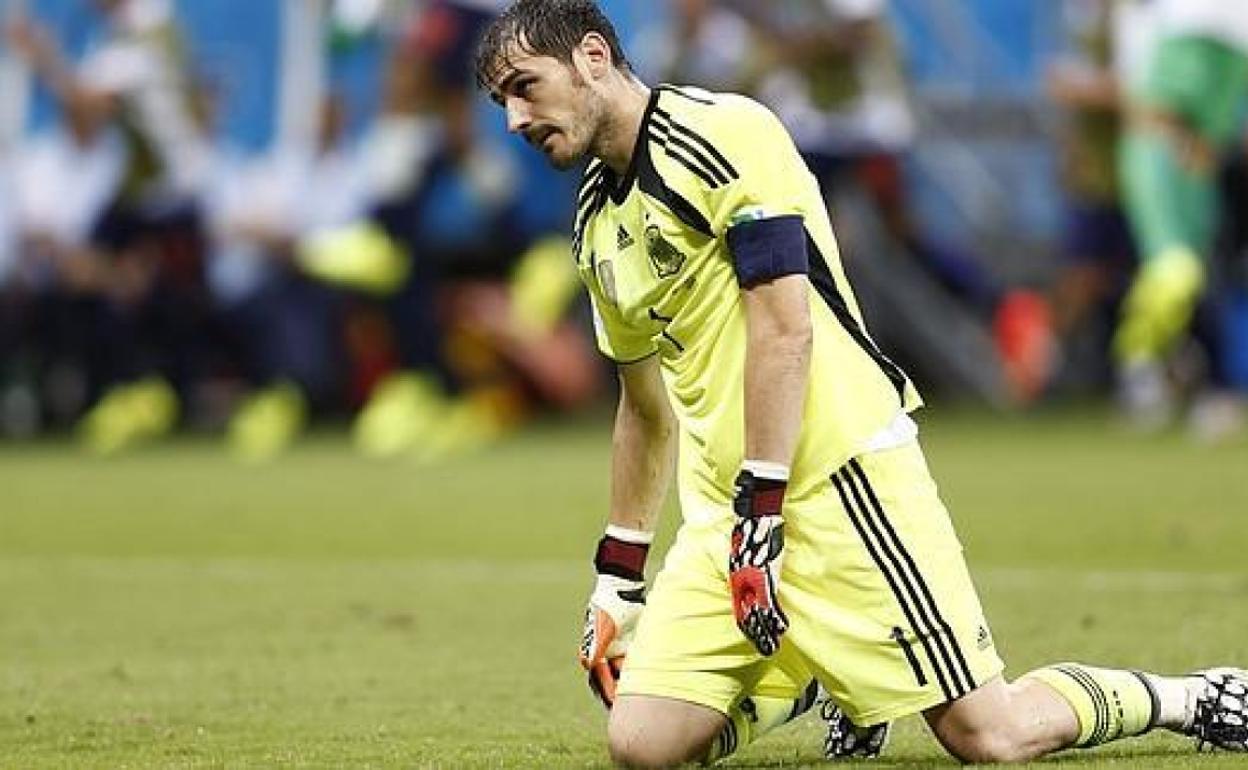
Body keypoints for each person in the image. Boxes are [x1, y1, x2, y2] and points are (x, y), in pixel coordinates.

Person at [474, 1, 1248, 767]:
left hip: (841, 477)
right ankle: (813, 681)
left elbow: (787, 330)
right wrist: (618, 577)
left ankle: (1195, 697)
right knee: (640, 746)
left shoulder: (722, 134)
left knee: (990, 735)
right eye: (501, 101)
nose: (515, 118)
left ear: (594, 58)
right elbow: (642, 410)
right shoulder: (593, 223)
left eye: (525, 86)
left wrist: (764, 508)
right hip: (726, 513)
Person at [1114, 0, 1248, 427]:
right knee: (1179, 270)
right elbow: (1160, 108)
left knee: (1206, 275)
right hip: (1171, 158)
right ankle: (1142, 365)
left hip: (1196, 162)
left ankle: (1181, 376)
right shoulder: (1186, 31)